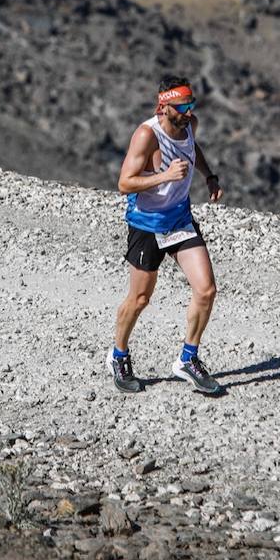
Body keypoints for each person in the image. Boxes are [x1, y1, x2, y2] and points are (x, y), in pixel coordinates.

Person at [111, 75, 224, 394]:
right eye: (183, 106)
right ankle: (119, 355)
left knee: (206, 290)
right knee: (140, 299)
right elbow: (124, 184)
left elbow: (193, 147)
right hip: (147, 224)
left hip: (180, 219)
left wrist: (209, 176)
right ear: (164, 106)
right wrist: (164, 176)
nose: (189, 112)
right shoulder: (147, 135)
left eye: (192, 105)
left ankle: (188, 359)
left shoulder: (190, 124)